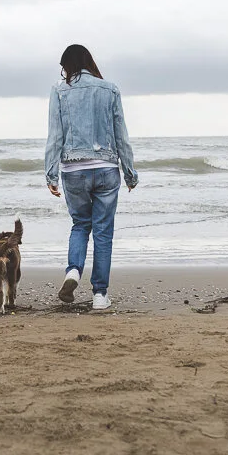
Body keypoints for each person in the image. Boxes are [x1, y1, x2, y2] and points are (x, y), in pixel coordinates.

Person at [44, 45, 138, 310]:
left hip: (73, 170)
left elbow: (55, 135)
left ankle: (73, 271)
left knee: (80, 225)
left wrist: (50, 173)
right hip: (107, 167)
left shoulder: (60, 91)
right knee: (103, 233)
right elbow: (121, 135)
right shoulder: (110, 89)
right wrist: (129, 172)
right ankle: (99, 295)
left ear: (69, 66)